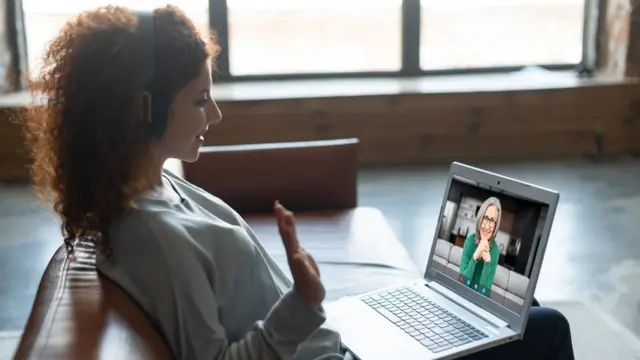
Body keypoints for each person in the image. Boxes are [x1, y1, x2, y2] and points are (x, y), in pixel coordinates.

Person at [23, 5, 574, 360]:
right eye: (199, 99)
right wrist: (304, 302)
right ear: (143, 110)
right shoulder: (152, 235)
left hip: (335, 344)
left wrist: (314, 309)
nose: (213, 116)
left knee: (510, 313)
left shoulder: (158, 189)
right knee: (546, 328)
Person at [460, 197, 502, 294]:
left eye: (492, 221)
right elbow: (462, 282)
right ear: (480, 218)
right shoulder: (469, 241)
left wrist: (488, 262)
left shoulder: (495, 250)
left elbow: (484, 292)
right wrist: (475, 256)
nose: (487, 226)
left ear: (496, 225)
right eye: (485, 218)